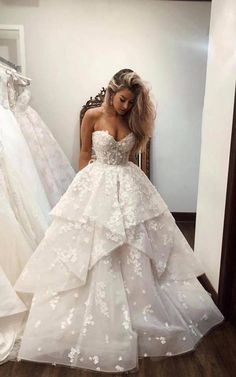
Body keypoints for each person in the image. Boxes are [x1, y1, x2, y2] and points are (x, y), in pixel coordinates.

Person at [14, 69, 224, 373]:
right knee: (93, 249)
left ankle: (142, 308)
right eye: (123, 100)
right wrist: (81, 191)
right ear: (112, 92)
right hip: (96, 183)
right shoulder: (92, 116)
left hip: (129, 186)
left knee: (136, 246)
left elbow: (133, 155)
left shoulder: (134, 120)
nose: (125, 107)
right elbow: (85, 153)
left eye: (130, 102)